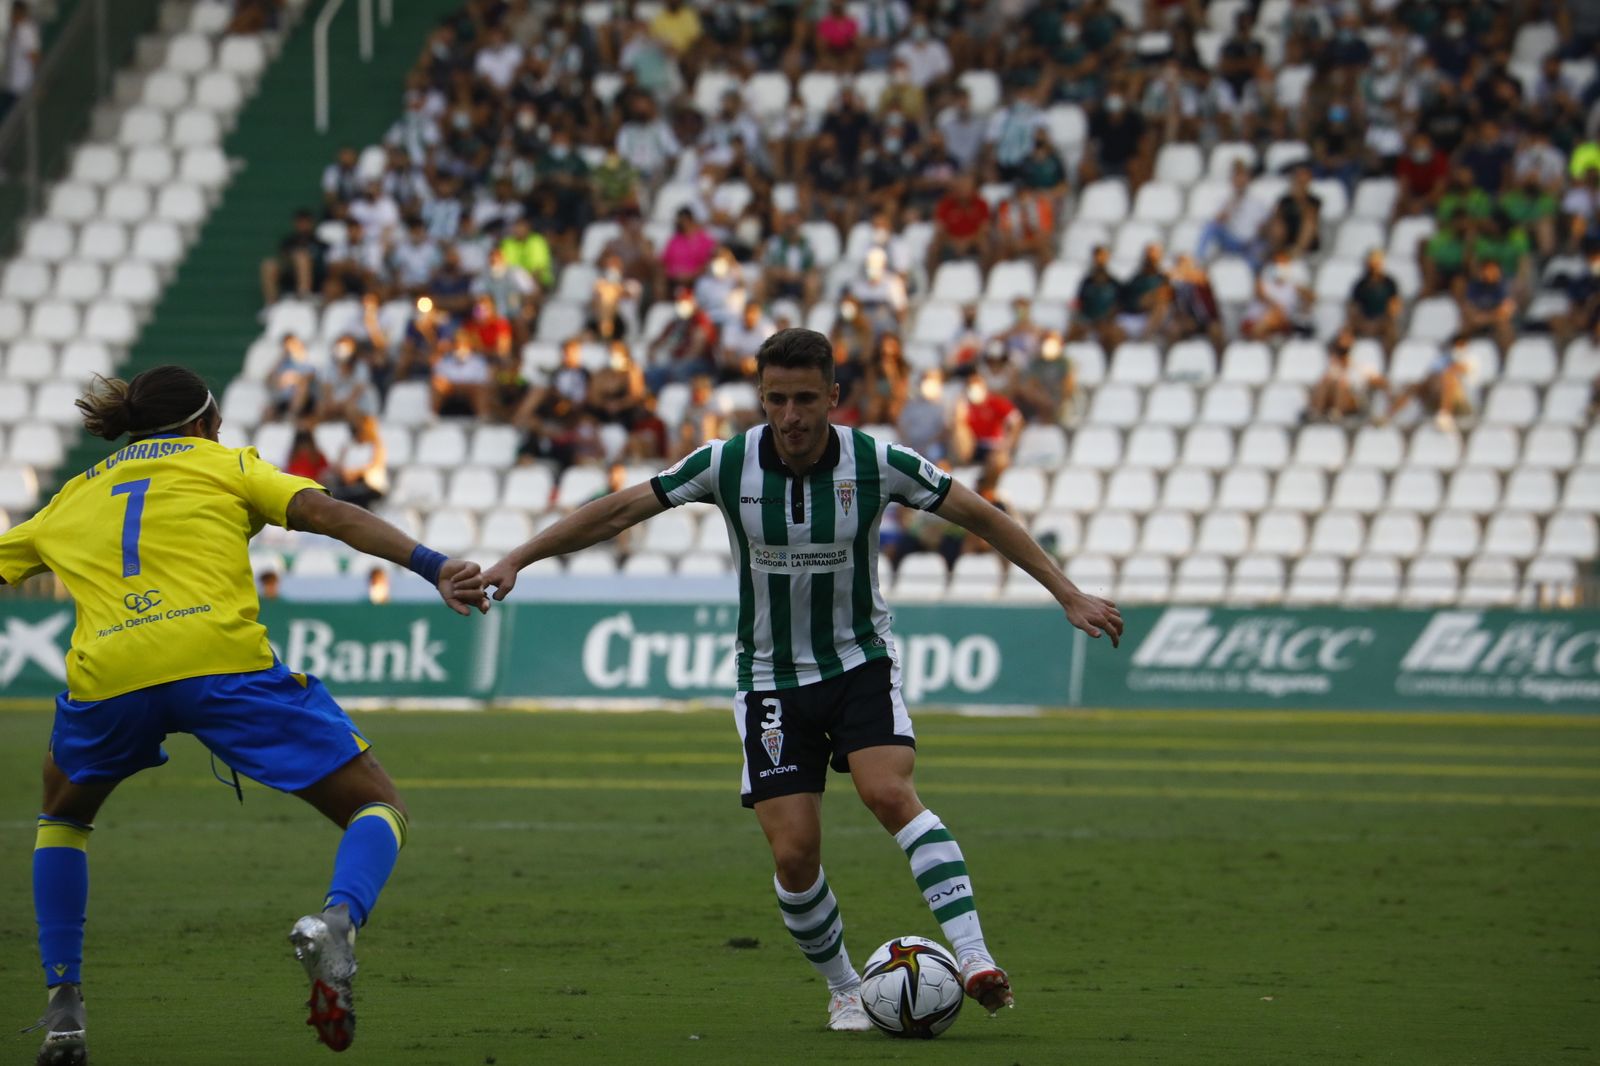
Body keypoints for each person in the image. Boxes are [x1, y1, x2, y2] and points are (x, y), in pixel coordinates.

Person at [481, 330, 1123, 1031]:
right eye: (777, 399)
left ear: (833, 398)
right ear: (762, 398)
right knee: (794, 853)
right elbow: (619, 508)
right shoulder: (727, 463)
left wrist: (1066, 592)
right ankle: (846, 988)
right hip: (770, 680)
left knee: (888, 792)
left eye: (805, 400)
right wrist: (520, 557)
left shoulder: (877, 461)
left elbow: (981, 514)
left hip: (858, 662)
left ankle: (972, 956)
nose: (790, 416)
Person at [2, 366, 487, 1062]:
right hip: (219, 663)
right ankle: (339, 924)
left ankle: (63, 1005)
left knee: (63, 817)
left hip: (111, 674)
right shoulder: (226, 465)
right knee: (377, 805)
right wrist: (432, 564)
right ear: (202, 423)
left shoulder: (72, 496)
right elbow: (331, 514)